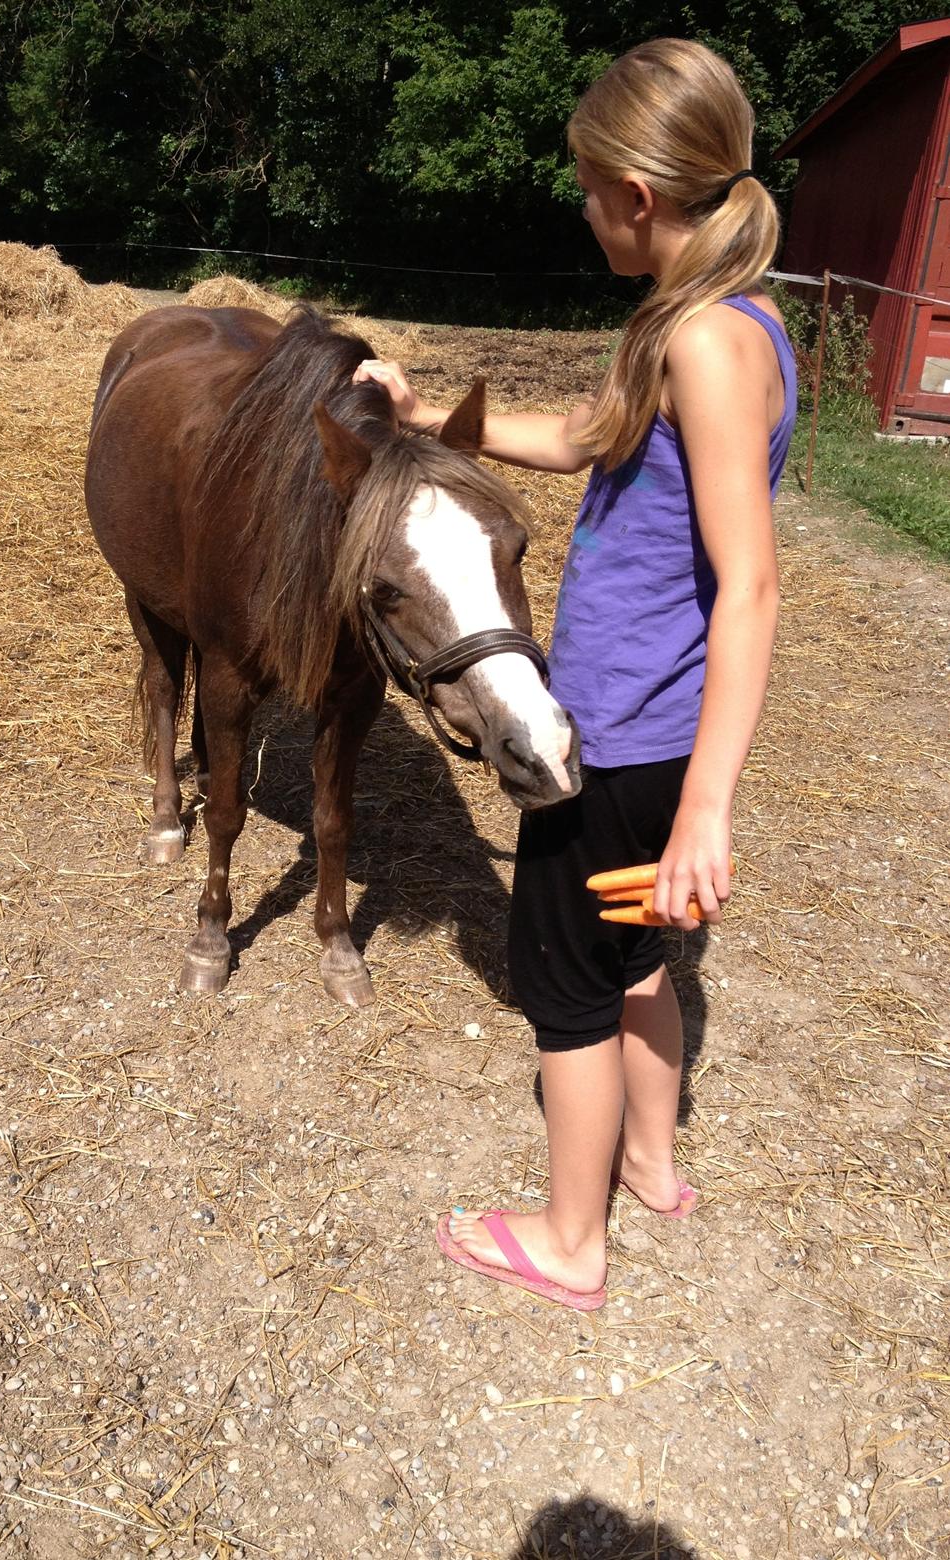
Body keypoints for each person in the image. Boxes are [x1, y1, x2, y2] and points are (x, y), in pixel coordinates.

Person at [353, 37, 797, 1309]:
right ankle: (652, 1165)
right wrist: (430, 414)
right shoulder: (730, 321)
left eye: (589, 187)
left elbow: (753, 584)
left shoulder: (704, 343)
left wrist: (709, 802)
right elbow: (581, 439)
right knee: (640, 959)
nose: (583, 206)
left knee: (564, 992)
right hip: (646, 739)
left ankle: (568, 1240)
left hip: (616, 741)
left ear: (638, 199)